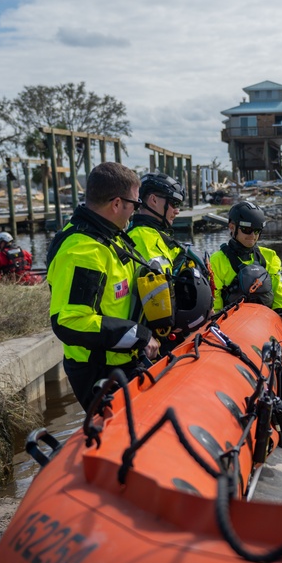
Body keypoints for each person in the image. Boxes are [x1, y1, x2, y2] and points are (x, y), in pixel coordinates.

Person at [45, 162, 161, 410]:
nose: (135, 212)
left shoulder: (109, 235)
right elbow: (70, 321)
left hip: (124, 358)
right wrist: (138, 335)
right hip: (101, 369)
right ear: (117, 203)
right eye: (135, 205)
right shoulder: (83, 252)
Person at [127, 172, 213, 352]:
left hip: (169, 336)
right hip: (154, 342)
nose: (177, 210)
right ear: (153, 200)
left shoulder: (161, 238)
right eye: (173, 203)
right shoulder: (140, 239)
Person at [209, 201, 282, 313]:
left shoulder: (270, 256)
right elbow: (215, 302)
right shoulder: (216, 261)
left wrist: (280, 313)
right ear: (232, 227)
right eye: (247, 230)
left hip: (266, 319)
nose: (253, 236)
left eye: (257, 231)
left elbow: (279, 291)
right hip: (232, 320)